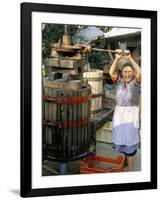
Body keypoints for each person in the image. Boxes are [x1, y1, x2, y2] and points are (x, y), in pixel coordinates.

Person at [109, 49, 141, 171]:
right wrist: (117, 58)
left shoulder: (136, 83)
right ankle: (123, 166)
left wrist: (129, 59)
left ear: (132, 73)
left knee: (130, 149)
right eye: (125, 71)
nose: (127, 74)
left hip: (131, 117)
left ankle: (130, 173)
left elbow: (140, 72)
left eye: (129, 72)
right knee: (122, 145)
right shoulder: (119, 82)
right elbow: (111, 72)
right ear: (122, 73)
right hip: (119, 116)